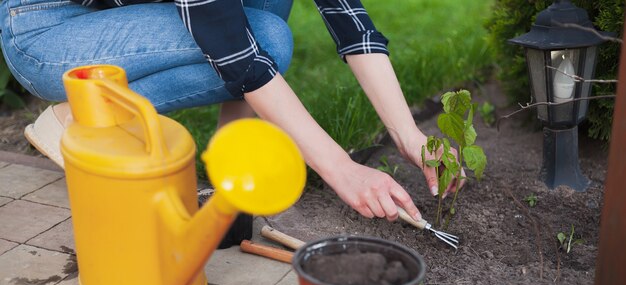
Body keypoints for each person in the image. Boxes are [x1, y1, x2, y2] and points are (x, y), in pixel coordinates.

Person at [0, 0, 463, 222]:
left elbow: (350, 23)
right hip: (47, 30)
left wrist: (411, 136)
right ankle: (82, 117)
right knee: (266, 41)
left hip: (115, 16)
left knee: (267, 15)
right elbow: (236, 52)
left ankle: (230, 170)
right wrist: (343, 171)